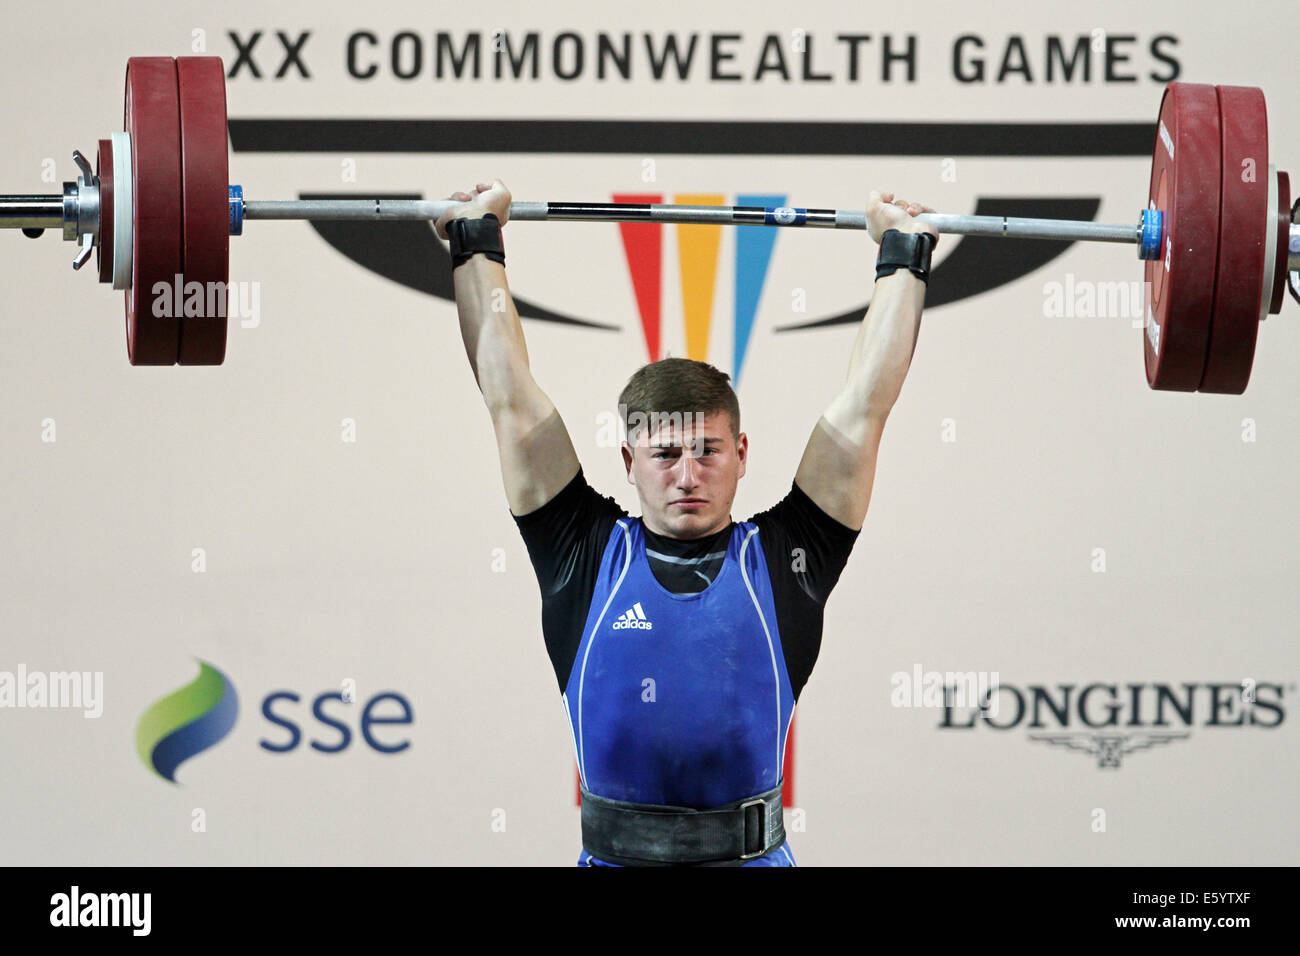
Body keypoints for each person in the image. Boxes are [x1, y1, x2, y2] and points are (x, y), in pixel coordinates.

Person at [435, 182, 937, 866]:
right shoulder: (579, 552)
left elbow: (863, 409)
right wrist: (476, 243)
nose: (688, 473)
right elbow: (508, 397)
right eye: (666, 454)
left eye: (706, 450)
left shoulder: (792, 558)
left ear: (741, 455)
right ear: (629, 460)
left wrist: (902, 256)